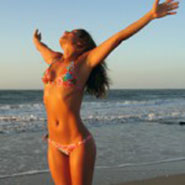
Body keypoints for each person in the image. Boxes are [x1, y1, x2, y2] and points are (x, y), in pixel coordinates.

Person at [33, 0, 179, 184]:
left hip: (78, 144)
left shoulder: (84, 62)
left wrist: (150, 16)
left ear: (80, 43)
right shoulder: (54, 60)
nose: (65, 31)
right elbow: (42, 49)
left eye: (71, 32)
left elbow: (118, 38)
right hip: (54, 143)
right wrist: (36, 42)